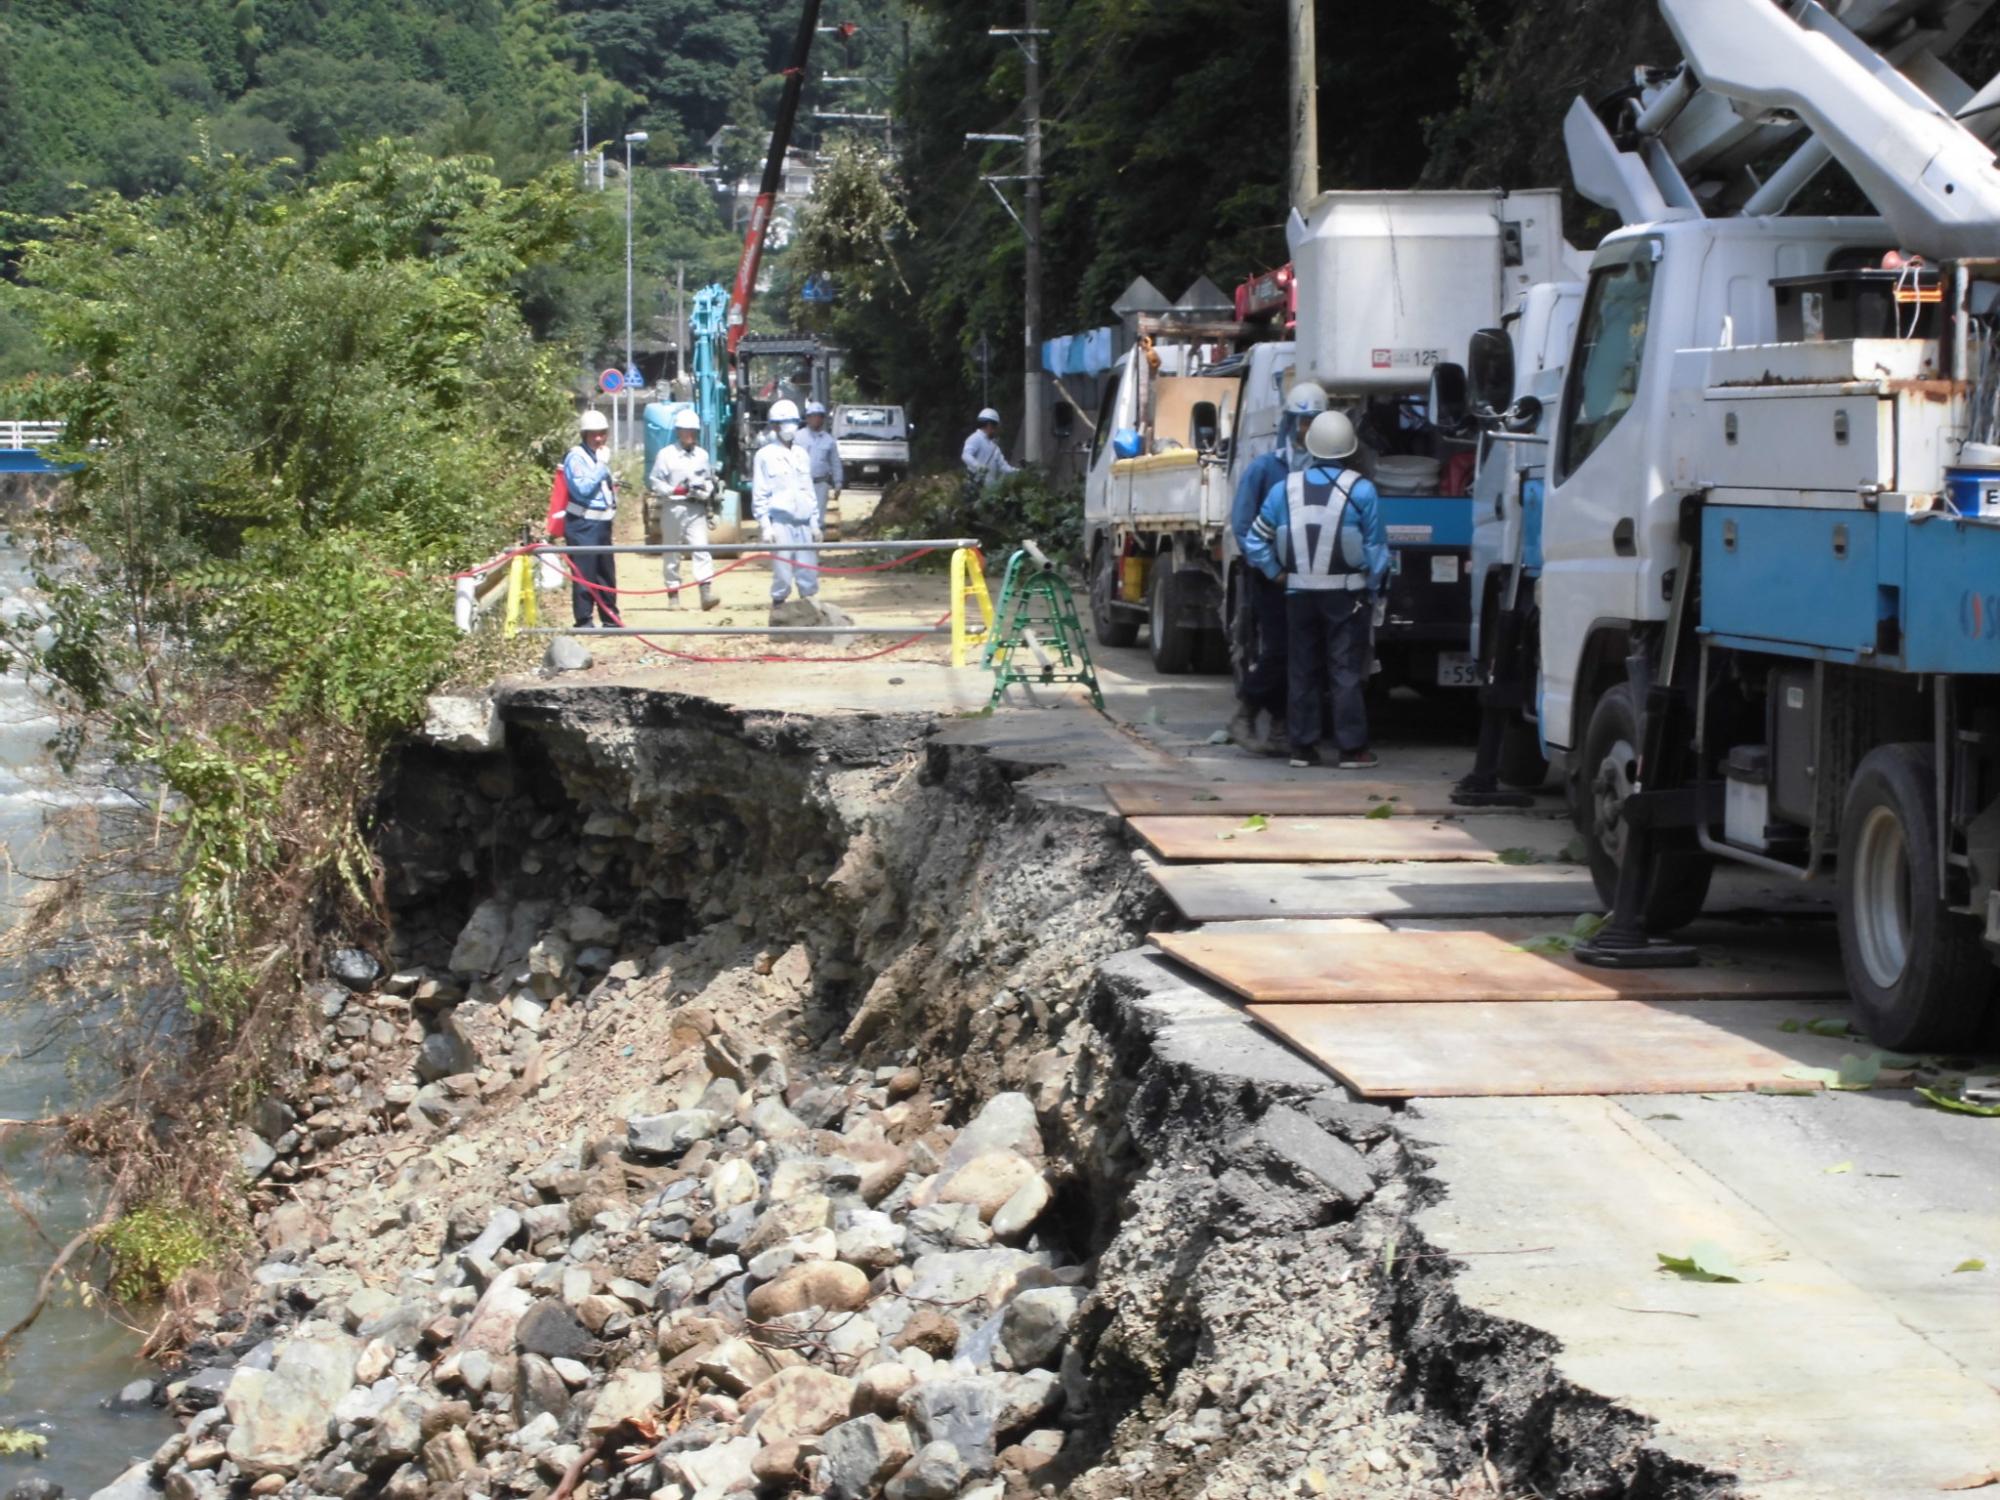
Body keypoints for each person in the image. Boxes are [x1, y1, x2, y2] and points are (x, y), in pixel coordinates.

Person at [1242, 410, 1389, 769]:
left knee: (1302, 669)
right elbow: (1376, 552)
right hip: (1346, 597)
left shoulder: (1284, 489)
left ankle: (1302, 748)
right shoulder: (1363, 490)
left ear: (1310, 446)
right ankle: (1352, 750)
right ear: (1350, 450)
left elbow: (1255, 540)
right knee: (1344, 671)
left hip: (1298, 595)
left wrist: (1277, 573)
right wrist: (1372, 587)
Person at [1227, 381, 1328, 754]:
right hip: (1272, 577)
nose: (1307, 429)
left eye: (1315, 422)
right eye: (1302, 421)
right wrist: (1271, 567)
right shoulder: (1265, 469)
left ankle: (1283, 726)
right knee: (1280, 649)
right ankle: (1248, 708)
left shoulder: (1330, 470)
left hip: (1316, 576)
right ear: (1290, 423)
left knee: (1305, 653)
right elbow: (1243, 524)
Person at [752, 398, 822, 624]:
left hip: (803, 521)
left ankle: (810, 612)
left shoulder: (801, 454)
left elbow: (808, 489)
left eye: (792, 423)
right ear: (774, 426)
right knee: (782, 572)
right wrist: (765, 525)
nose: (789, 429)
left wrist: (814, 522)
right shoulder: (764, 455)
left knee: (807, 570)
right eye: (784, 424)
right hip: (779, 521)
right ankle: (779, 612)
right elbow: (760, 492)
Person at [647, 408, 720, 611]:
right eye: (686, 431)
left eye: (693, 431)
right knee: (672, 551)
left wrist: (706, 491)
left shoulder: (702, 456)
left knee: (702, 549)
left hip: (695, 508)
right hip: (674, 507)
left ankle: (706, 592)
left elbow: (708, 479)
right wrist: (674, 489)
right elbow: (654, 480)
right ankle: (673, 595)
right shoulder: (666, 455)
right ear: (679, 431)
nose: (690, 435)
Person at [561, 409, 620, 628]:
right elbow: (582, 489)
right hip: (583, 524)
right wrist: (601, 467)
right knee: (584, 574)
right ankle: (584, 620)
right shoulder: (576, 457)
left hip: (603, 523)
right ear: (584, 435)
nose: (599, 439)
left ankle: (610, 618)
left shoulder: (598, 455)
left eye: (602, 433)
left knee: (606, 573)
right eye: (594, 434)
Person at [800, 400, 844, 525]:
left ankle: (816, 543)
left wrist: (838, 482)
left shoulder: (829, 440)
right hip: (801, 484)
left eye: (819, 416)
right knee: (802, 516)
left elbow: (835, 462)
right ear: (807, 418)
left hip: (820, 484)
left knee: (818, 518)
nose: (816, 419)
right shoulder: (798, 437)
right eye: (813, 416)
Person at [962, 407, 1017, 486]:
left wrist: (1019, 472)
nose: (996, 430)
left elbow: (1004, 467)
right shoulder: (975, 438)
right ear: (989, 425)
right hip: (975, 488)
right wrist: (978, 467)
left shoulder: (994, 446)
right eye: (995, 426)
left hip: (990, 492)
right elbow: (966, 455)